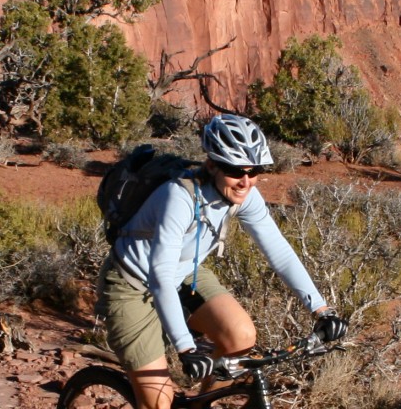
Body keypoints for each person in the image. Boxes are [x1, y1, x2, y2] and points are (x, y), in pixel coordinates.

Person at [96, 114, 348, 408]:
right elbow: (160, 276)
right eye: (234, 170)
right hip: (131, 285)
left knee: (240, 337)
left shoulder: (245, 195)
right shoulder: (178, 197)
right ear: (212, 164)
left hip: (185, 273)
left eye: (254, 171)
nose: (245, 181)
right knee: (158, 402)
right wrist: (187, 348)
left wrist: (321, 310)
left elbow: (279, 252)